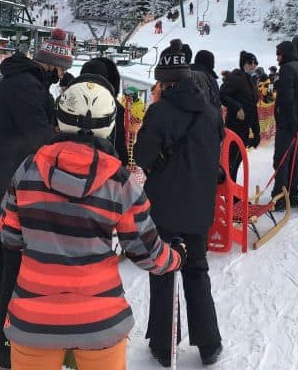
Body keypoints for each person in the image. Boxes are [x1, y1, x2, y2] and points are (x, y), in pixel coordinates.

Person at [0, 78, 183, 369]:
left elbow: (10, 237)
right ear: (109, 125)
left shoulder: (28, 169)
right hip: (101, 320)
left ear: (60, 119)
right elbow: (145, 251)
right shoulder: (119, 182)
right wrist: (175, 258)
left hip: (33, 319)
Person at [0, 28, 73, 368]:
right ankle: (5, 342)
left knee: (4, 253)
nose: (62, 75)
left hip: (10, 177)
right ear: (52, 64)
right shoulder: (26, 88)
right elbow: (39, 138)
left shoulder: (24, 83)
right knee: (13, 257)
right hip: (11, 181)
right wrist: (70, 146)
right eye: (61, 69)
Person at [134, 40, 223, 367]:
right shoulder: (211, 113)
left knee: (163, 271)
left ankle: (163, 343)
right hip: (199, 205)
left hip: (165, 208)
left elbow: (141, 156)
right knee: (197, 270)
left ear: (165, 81)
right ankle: (209, 343)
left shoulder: (159, 112)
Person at [272, 41, 298, 210]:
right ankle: (292, 194)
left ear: (286, 53)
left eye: (279, 54)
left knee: (281, 159)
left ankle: (280, 196)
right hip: (296, 123)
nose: (277, 57)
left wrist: (293, 121)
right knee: (294, 158)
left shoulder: (287, 69)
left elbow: (288, 98)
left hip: (288, 123)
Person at [80, 56, 130, 166]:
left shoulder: (72, 102)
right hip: (105, 167)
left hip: (74, 163)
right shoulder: (114, 107)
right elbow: (118, 142)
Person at [220, 51, 261, 181]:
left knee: (237, 162)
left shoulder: (252, 81)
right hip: (234, 127)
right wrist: (237, 107)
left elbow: (253, 108)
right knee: (231, 162)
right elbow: (223, 94)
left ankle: (233, 195)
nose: (253, 66)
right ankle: (230, 195)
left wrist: (256, 132)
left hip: (245, 128)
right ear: (243, 64)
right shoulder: (236, 77)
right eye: (250, 63)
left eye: (255, 63)